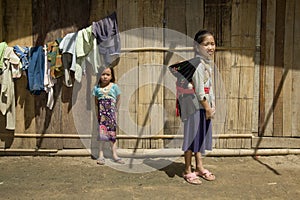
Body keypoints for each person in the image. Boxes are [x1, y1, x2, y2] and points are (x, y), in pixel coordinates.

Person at [169, 30, 216, 185]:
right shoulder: (197, 65)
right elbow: (199, 91)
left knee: (200, 137)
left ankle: (199, 167)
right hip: (196, 107)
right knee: (191, 138)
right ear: (197, 47)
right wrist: (208, 108)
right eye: (206, 44)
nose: (210, 47)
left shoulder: (207, 63)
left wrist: (212, 105)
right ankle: (187, 170)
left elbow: (210, 87)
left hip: (204, 106)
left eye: (212, 44)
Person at [92, 67, 125, 165]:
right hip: (101, 116)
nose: (105, 77)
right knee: (102, 135)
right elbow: (96, 102)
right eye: (103, 74)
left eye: (108, 74)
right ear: (99, 76)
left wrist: (116, 111)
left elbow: (118, 99)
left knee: (112, 135)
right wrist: (98, 114)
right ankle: (101, 154)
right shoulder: (96, 88)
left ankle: (114, 155)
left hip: (111, 115)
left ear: (111, 76)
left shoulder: (114, 86)